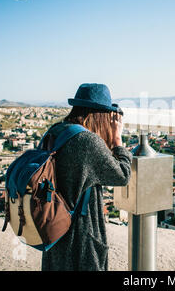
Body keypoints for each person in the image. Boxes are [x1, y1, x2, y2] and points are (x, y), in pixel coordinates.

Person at [41, 83, 132, 271]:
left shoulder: (55, 131)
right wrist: (117, 140)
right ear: (99, 115)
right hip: (81, 234)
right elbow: (122, 175)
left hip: (53, 226)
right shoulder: (88, 141)